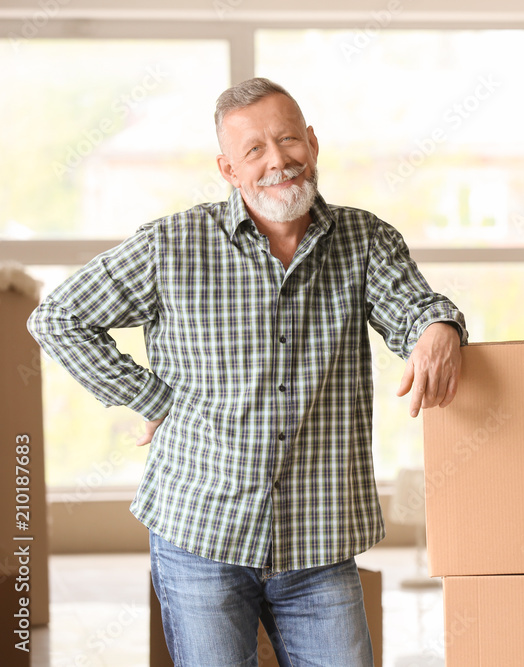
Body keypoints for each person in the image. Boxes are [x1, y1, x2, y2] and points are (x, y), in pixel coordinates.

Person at [28, 77, 468, 666]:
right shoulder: (172, 245)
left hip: (319, 538)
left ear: (312, 143)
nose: (278, 161)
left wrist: (439, 326)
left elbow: (416, 310)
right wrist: (150, 398)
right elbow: (58, 317)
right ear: (228, 169)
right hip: (200, 531)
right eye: (254, 149)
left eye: (288, 140)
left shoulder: (364, 240)